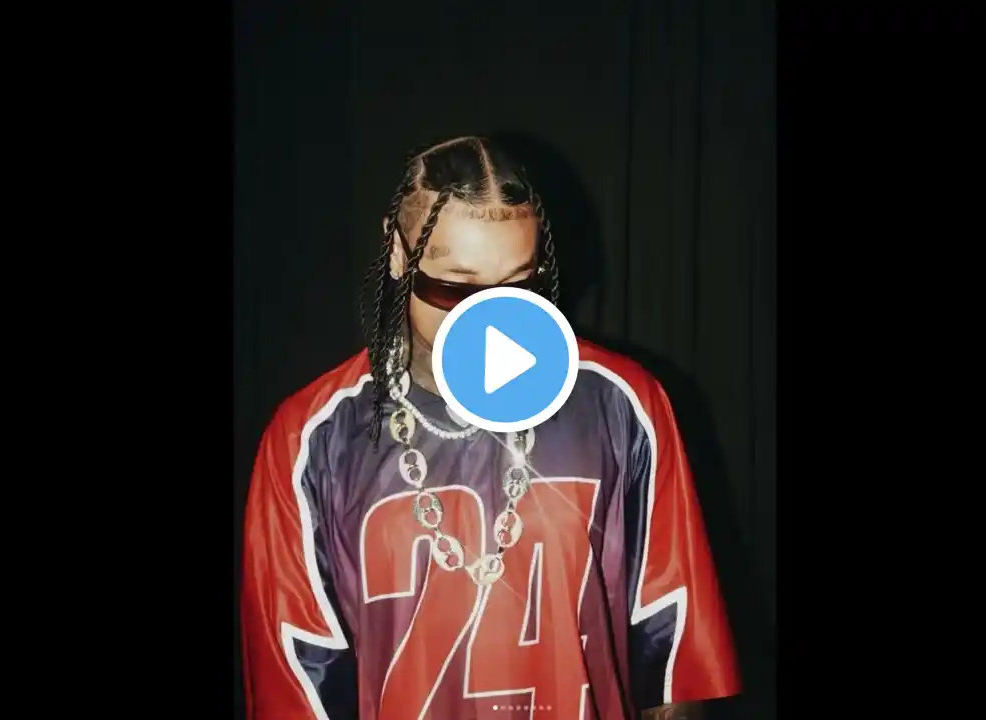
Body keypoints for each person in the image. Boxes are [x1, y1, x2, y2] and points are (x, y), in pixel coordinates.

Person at [241, 136, 740, 719]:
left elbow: (673, 655)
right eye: (454, 288)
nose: (490, 317)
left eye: (518, 285)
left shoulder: (622, 402)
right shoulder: (309, 437)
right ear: (398, 253)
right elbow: (297, 677)